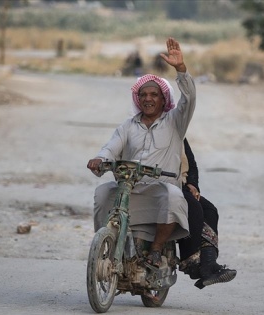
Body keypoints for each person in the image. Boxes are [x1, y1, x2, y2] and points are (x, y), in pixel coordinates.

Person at [87, 37, 195, 268]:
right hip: (131, 188)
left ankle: (157, 248)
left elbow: (189, 100)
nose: (148, 98)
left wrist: (181, 70)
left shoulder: (175, 122)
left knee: (174, 196)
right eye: (144, 95)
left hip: (160, 189)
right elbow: (111, 148)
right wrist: (100, 159)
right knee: (102, 193)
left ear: (163, 99)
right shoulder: (128, 126)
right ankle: (105, 244)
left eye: (154, 95)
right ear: (138, 98)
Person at [178, 138, 237, 289]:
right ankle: (191, 263)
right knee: (193, 208)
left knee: (210, 210)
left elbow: (191, 163)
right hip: (163, 185)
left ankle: (208, 265)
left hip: (181, 186)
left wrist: (192, 183)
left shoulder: (178, 130)